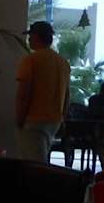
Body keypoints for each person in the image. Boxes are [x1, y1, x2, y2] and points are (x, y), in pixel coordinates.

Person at [14, 21, 70, 163]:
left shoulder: (31, 60)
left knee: (33, 165)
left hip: (33, 120)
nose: (28, 39)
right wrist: (62, 117)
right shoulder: (62, 62)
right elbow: (67, 95)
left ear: (36, 36)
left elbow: (24, 93)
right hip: (54, 121)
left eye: (30, 35)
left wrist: (19, 118)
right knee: (40, 160)